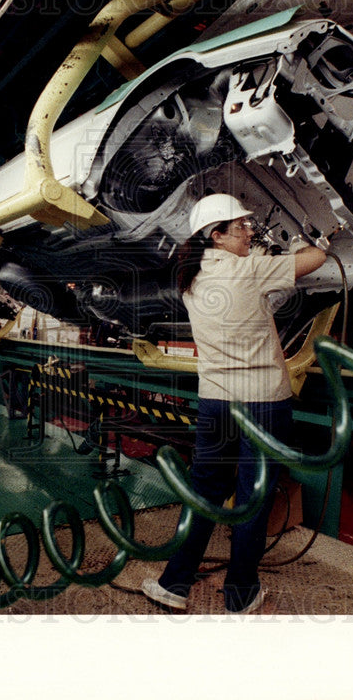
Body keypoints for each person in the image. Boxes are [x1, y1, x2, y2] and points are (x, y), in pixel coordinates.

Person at [142, 193, 327, 613]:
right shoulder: (249, 271)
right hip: (262, 403)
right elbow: (312, 260)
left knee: (204, 493)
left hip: (216, 404)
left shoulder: (191, 278)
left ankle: (175, 583)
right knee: (253, 498)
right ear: (217, 235)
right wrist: (325, 240)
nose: (248, 231)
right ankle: (241, 593)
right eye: (240, 226)